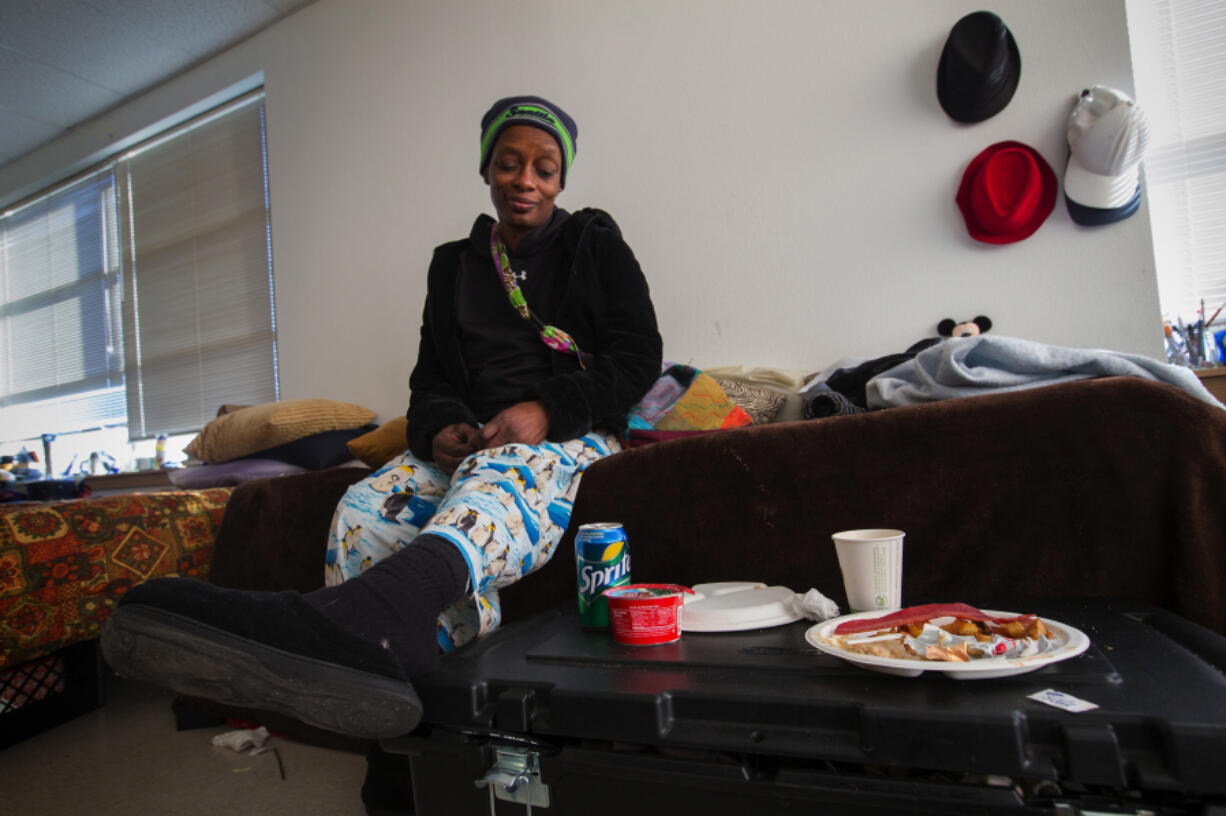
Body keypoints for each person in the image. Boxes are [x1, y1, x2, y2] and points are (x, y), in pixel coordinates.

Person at [100, 95, 663, 742]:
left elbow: (637, 357)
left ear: (562, 178)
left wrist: (547, 409)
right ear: (486, 170)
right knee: (365, 508)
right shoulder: (454, 265)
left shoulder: (594, 243)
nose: (525, 181)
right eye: (509, 163)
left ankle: (349, 625)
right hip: (476, 440)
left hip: (567, 432)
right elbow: (432, 379)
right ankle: (386, 698)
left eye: (543, 167)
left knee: (499, 478)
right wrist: (441, 425)